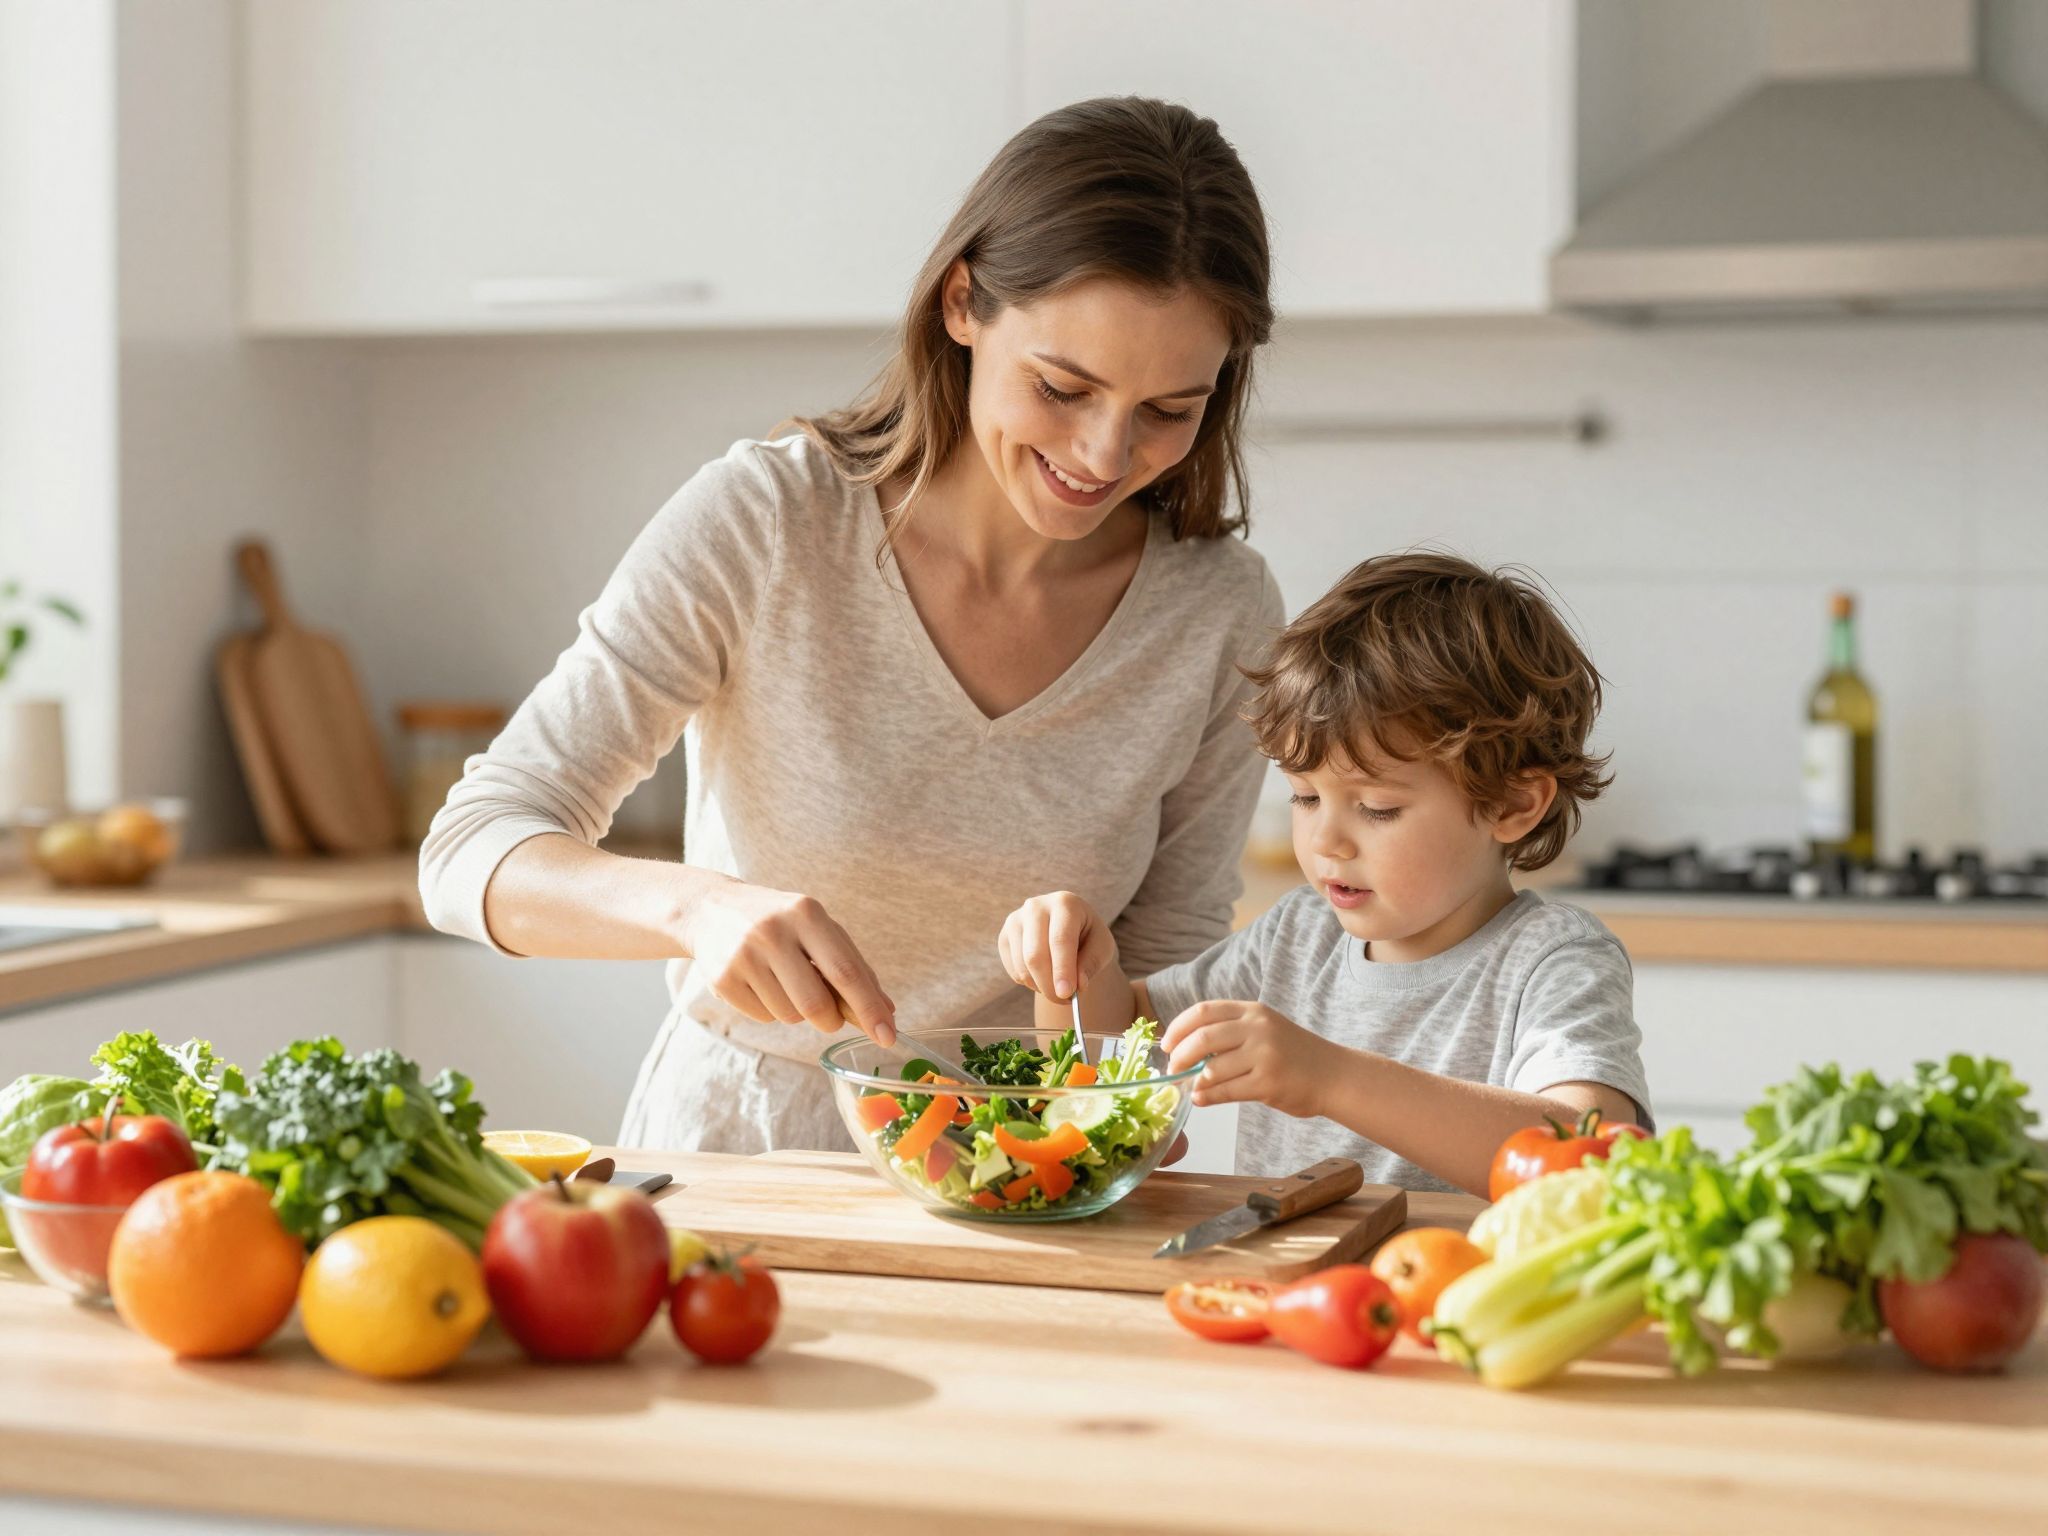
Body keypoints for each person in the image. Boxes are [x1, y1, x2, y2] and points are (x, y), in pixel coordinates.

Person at [420, 97, 1284, 1155]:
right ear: (962, 304)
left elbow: (1169, 972)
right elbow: (471, 852)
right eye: (1063, 388)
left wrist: (1115, 1082)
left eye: (1168, 411)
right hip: (744, 1158)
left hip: (1028, 1169)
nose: (1104, 456)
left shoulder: (1214, 610)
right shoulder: (770, 523)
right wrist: (697, 910)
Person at [997, 552, 1651, 1196]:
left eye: (1376, 807)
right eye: (1305, 798)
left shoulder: (1552, 959)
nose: (1325, 840)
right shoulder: (1298, 937)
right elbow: (1120, 1045)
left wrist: (1330, 1079)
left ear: (1511, 804)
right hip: (1287, 1289)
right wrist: (1077, 972)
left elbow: (1593, 1152)